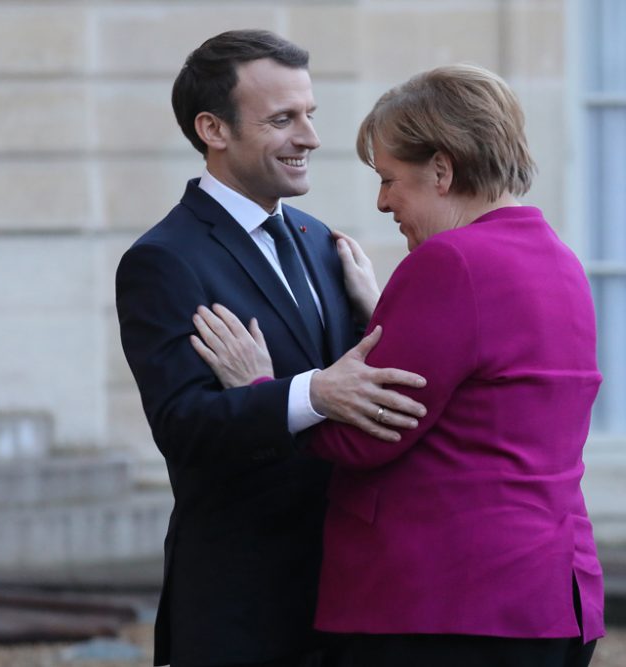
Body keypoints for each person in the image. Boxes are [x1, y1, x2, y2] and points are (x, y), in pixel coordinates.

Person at [192, 64, 604, 667]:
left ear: (442, 169)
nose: (383, 202)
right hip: (551, 595)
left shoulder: (450, 263)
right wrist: (384, 314)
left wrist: (262, 386)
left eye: (389, 180)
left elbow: (369, 433)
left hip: (448, 605)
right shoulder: (557, 258)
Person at [115, 30, 428, 667]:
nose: (309, 138)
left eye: (309, 116)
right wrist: (311, 393)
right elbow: (183, 428)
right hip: (241, 609)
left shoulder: (321, 241)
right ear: (213, 129)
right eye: (283, 119)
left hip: (349, 597)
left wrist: (379, 314)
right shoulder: (163, 261)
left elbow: (374, 391)